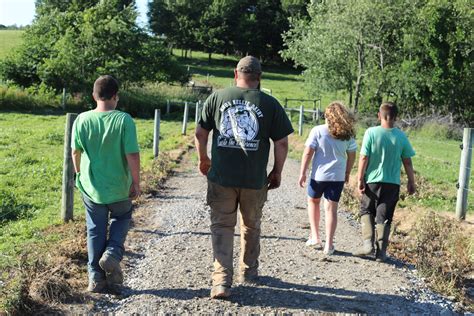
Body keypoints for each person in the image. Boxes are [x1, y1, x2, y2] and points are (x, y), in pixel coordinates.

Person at [195, 56, 294, 299]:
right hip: (254, 179)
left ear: (235, 73)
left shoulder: (217, 97)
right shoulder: (270, 103)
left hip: (221, 177)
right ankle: (249, 272)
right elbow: (281, 142)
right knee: (251, 225)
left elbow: (200, 132)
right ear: (260, 77)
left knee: (221, 225)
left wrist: (204, 159)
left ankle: (221, 281)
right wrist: (277, 171)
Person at [71, 75, 140, 293]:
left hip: (92, 188)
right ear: (115, 96)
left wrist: (79, 174)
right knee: (122, 218)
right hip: (119, 187)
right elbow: (133, 154)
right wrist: (136, 182)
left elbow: (75, 152)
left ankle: (96, 279)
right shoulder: (124, 120)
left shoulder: (81, 119)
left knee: (94, 229)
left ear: (94, 95)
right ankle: (112, 254)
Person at [353, 101, 416, 262]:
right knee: (384, 216)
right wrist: (411, 181)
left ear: (378, 115)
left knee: (367, 210)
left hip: (372, 181)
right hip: (392, 183)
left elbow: (364, 157)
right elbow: (407, 161)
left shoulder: (371, 133)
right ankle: (381, 252)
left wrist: (360, 178)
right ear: (396, 117)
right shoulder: (401, 136)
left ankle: (368, 244)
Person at [298, 102, 357, 255]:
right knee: (331, 209)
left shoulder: (317, 130)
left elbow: (308, 153)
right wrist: (347, 172)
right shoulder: (347, 135)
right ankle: (329, 245)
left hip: (318, 176)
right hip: (337, 176)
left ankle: (316, 237)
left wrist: (303, 172)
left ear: (327, 116)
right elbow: (352, 155)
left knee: (313, 201)